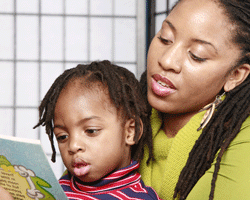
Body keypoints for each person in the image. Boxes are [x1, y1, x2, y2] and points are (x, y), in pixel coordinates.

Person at [139, 0, 250, 199]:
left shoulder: (243, 136)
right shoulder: (122, 113)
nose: (166, 60)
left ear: (235, 74)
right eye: (165, 38)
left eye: (196, 56)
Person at [33, 60, 160, 200]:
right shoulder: (56, 189)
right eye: (62, 136)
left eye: (91, 131)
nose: (73, 146)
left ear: (130, 131)